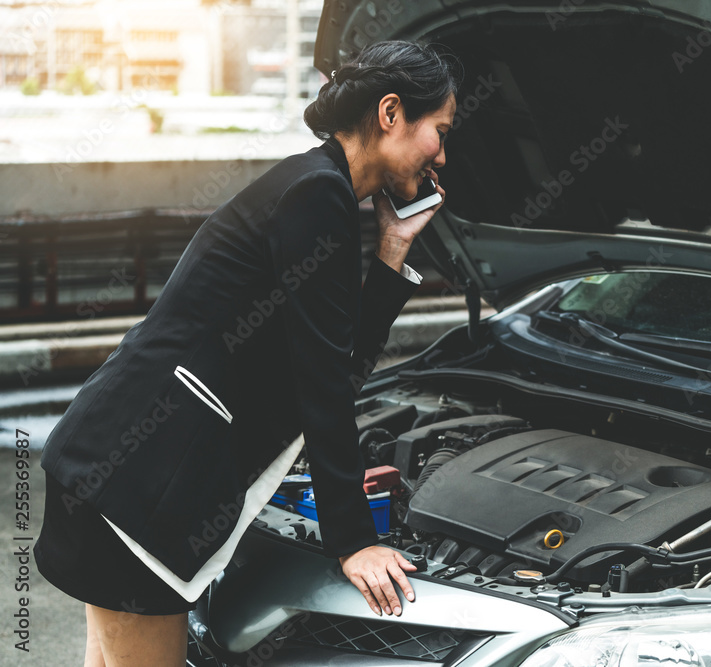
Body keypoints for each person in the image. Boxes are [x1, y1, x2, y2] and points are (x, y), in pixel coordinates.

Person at [32, 39, 463, 666]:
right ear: (390, 113)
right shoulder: (317, 197)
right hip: (141, 488)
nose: (442, 157)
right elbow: (323, 387)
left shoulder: (317, 189)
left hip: (115, 472)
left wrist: (392, 250)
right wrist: (353, 542)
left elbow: (334, 365)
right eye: (440, 132)